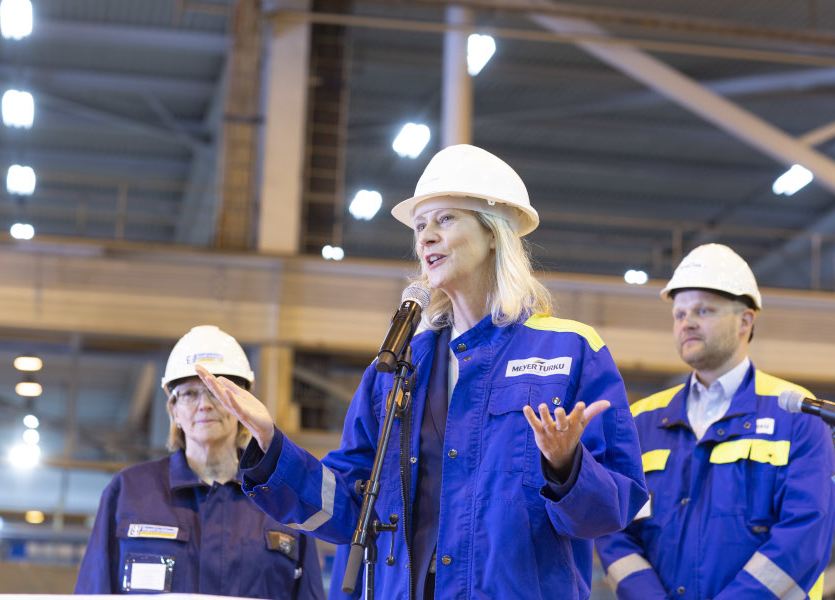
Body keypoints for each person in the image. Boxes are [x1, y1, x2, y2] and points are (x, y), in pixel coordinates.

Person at [195, 144, 648, 600]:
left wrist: (567, 467)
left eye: (445, 219)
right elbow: (351, 507)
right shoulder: (395, 370)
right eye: (420, 225)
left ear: (495, 233)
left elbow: (614, 508)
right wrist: (273, 448)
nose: (426, 237)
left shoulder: (569, 350)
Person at [595, 244, 835, 599]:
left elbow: (804, 533)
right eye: (679, 314)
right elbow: (614, 529)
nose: (687, 322)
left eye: (703, 310)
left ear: (746, 320)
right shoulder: (640, 421)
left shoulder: (798, 414)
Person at [75, 325, 325, 600]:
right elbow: (94, 590)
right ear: (174, 410)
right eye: (190, 394)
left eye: (216, 392)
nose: (204, 405)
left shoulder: (281, 498)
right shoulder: (129, 492)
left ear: (242, 404)